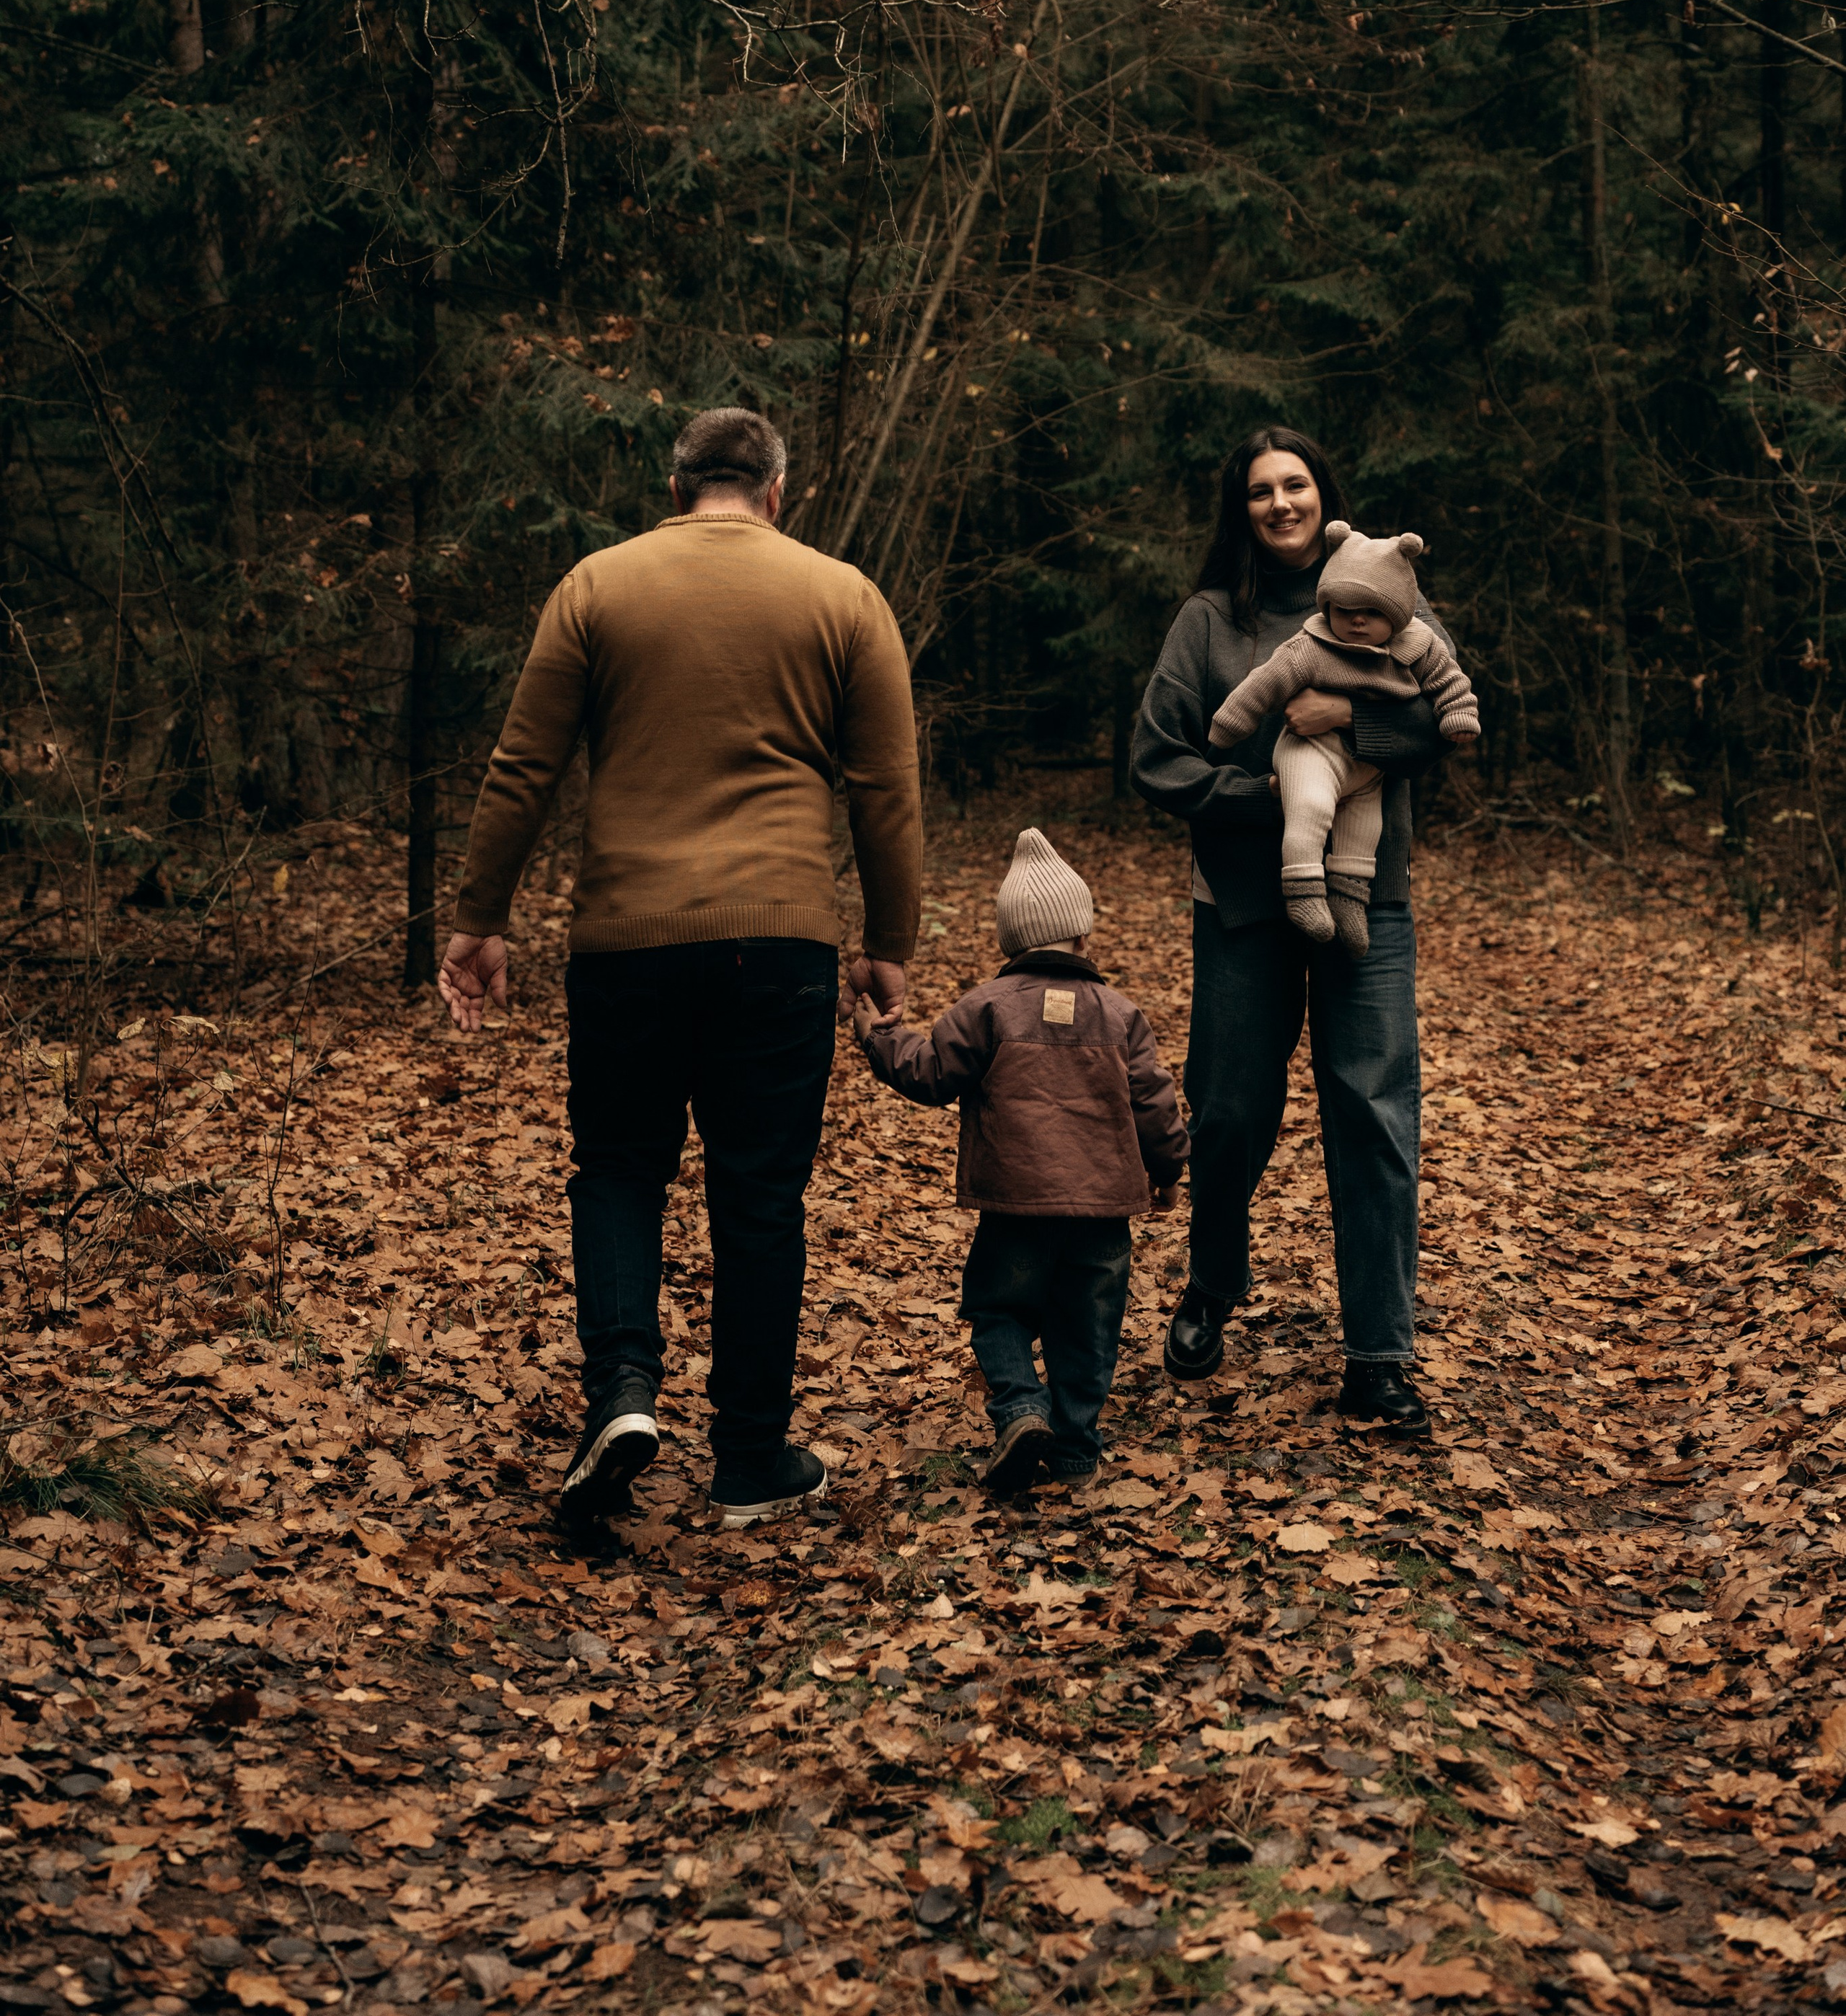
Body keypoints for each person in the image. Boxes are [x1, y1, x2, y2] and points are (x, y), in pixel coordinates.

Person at [438, 407, 922, 1531]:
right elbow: (887, 788)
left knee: (617, 1167)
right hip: (783, 940)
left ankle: (622, 1394)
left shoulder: (598, 586)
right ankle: (751, 1457)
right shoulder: (844, 595)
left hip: (627, 939)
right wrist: (888, 942)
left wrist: (481, 917)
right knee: (760, 1194)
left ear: (675, 485)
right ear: (777, 492)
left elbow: (524, 766)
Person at [1131, 428, 1462, 1433]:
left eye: (1297, 485)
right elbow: (1157, 759)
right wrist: (1272, 793)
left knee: (1372, 1109)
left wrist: (1342, 726)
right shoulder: (1207, 622)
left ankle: (1379, 1354)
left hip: (1370, 894)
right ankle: (1212, 1284)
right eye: (1261, 492)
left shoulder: (1387, 592)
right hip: (1240, 901)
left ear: (1326, 496)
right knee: (1229, 1110)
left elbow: (1439, 729)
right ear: (1241, 511)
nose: (1281, 504)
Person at [854, 828, 1188, 1494]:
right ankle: (1074, 1450)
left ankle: (1020, 1408)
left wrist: (876, 1040)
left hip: (1015, 1205)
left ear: (1010, 943)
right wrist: (1170, 1169)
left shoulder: (987, 1007)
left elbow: (929, 1072)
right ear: (1084, 938)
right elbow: (1154, 1100)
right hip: (1101, 1213)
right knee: (1088, 1328)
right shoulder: (1120, 1015)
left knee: (1000, 1311)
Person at [1209, 521, 1480, 957]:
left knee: (1363, 828)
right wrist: (1231, 722)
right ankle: (1303, 889)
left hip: (1369, 766)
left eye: (1372, 613)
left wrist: (1459, 713)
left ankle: (1349, 900)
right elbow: (1266, 683)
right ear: (1327, 605)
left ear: (1397, 615)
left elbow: (1449, 680)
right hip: (1310, 752)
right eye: (1344, 609)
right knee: (1310, 808)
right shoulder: (1311, 645)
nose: (1356, 621)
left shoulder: (1418, 645)